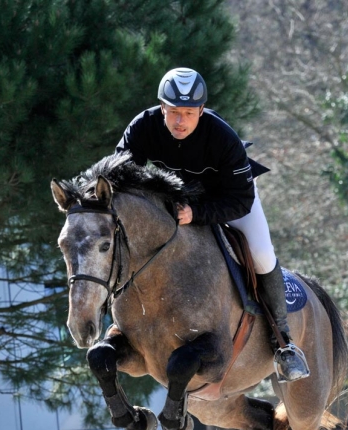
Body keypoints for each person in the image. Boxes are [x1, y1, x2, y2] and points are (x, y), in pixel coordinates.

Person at [114, 67, 309, 381]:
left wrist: (198, 213)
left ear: (201, 111)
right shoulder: (143, 127)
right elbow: (118, 177)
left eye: (189, 113)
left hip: (226, 198)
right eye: (174, 112)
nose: (180, 121)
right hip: (176, 197)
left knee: (261, 253)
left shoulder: (222, 137)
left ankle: (283, 343)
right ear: (161, 107)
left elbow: (240, 201)